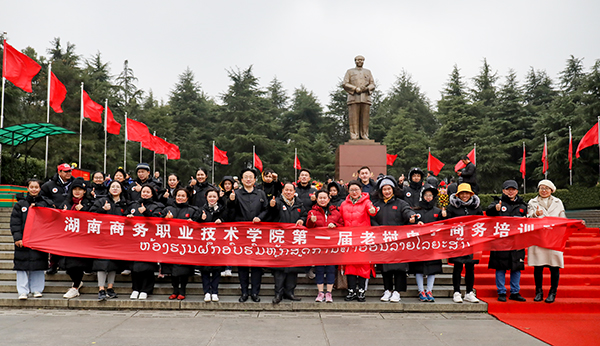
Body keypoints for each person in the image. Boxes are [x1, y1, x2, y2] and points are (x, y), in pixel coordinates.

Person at [371, 176, 416, 303]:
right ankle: (387, 290)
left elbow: (407, 212)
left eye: (389, 189)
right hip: (383, 240)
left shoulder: (400, 203)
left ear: (393, 190)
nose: (387, 191)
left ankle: (397, 291)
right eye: (384, 189)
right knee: (385, 267)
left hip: (398, 241)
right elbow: (372, 219)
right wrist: (377, 229)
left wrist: (411, 216)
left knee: (399, 267)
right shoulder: (376, 205)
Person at [228, 168, 268, 302]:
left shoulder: (261, 193)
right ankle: (244, 292)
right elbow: (231, 215)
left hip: (257, 234)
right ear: (241, 180)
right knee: (243, 265)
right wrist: (232, 202)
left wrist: (260, 218)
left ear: (255, 179)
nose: (249, 179)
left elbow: (266, 210)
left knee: (257, 265)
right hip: (242, 233)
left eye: (251, 177)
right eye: (246, 177)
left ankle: (255, 292)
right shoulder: (236, 194)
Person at [11, 179, 52, 299]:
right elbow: (15, 223)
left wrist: (39, 207)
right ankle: (22, 291)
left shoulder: (45, 203)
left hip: (39, 240)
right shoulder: (20, 204)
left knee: (38, 266)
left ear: (40, 189)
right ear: (27, 188)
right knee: (21, 267)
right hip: (23, 240)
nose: (34, 189)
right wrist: (18, 238)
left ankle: (37, 289)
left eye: (36, 187)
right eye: (31, 187)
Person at [486, 179, 527, 302]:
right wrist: (495, 209)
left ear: (517, 191)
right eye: (508, 189)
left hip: (517, 241)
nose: (510, 192)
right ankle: (501, 292)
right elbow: (488, 212)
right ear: (503, 191)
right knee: (500, 267)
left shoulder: (523, 206)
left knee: (516, 267)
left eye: (513, 189)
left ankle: (515, 292)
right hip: (501, 241)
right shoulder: (497, 202)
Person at [89, 180, 129, 301]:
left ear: (121, 189)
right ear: (109, 188)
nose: (115, 189)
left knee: (113, 264)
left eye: (118, 187)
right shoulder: (102, 201)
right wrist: (102, 209)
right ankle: (101, 289)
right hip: (103, 238)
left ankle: (110, 288)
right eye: (113, 186)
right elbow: (91, 214)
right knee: (102, 263)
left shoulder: (125, 204)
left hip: (117, 238)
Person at [527, 179, 565, 303]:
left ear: (551, 190)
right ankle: (539, 292)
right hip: (538, 237)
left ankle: (552, 292)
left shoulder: (558, 202)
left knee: (555, 266)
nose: (544, 191)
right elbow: (528, 218)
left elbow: (563, 218)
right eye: (541, 188)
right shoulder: (532, 202)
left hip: (554, 238)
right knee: (538, 266)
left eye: (546, 188)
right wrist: (535, 215)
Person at [269, 182, 307, 304]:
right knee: (280, 268)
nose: (288, 192)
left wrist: (302, 219)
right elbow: (271, 214)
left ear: (294, 191)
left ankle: (289, 292)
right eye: (286, 190)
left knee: (292, 268)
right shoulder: (278, 202)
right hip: (280, 240)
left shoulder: (299, 203)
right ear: (283, 191)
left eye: (291, 190)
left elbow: (305, 215)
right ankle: (278, 293)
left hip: (294, 240)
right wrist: (272, 206)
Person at [339, 180, 377, 302]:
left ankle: (361, 290)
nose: (354, 192)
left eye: (356, 190)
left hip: (362, 239)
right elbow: (340, 220)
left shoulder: (366, 202)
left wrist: (372, 211)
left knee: (363, 265)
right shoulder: (344, 204)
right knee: (349, 265)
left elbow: (372, 210)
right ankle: (351, 290)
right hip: (349, 238)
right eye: (351, 190)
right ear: (348, 191)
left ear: (361, 190)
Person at [161, 187, 201, 300]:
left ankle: (182, 290)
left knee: (184, 270)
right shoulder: (168, 209)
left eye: (183, 196)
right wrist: (165, 218)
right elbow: (158, 223)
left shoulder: (193, 210)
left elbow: (199, 224)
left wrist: (193, 223)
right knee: (172, 269)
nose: (180, 198)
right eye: (178, 195)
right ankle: (175, 290)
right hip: (171, 244)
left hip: (185, 245)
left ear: (187, 198)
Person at [126, 184, 164, 300]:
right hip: (135, 240)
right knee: (135, 267)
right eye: (143, 191)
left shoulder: (157, 206)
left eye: (148, 192)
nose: (145, 194)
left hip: (150, 240)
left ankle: (146, 289)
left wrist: (146, 212)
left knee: (147, 267)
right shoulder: (133, 205)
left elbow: (158, 220)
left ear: (152, 194)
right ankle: (135, 288)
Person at [445, 183, 482, 303]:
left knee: (470, 267)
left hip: (472, 241)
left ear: (471, 194)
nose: (465, 195)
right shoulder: (452, 208)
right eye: (462, 193)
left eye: (467, 193)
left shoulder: (476, 207)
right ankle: (456, 292)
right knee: (458, 266)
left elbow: (481, 222)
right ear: (458, 194)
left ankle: (469, 292)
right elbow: (447, 224)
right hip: (457, 241)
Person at [59, 178, 95, 299]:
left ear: (85, 191)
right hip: (68, 239)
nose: (77, 192)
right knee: (67, 265)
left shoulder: (89, 202)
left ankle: (75, 286)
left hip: (83, 239)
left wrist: (84, 211)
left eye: (80, 189)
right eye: (75, 189)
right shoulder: (66, 202)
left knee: (77, 264)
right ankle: (77, 283)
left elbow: (95, 219)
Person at [306, 190, 344, 303]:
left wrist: (335, 225)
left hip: (332, 246)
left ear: (329, 199)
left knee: (331, 269)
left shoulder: (336, 212)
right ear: (316, 199)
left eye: (324, 197)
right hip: (318, 246)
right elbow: (308, 226)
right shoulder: (312, 212)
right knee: (319, 269)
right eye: (320, 198)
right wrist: (311, 221)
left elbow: (343, 225)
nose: (322, 200)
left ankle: (329, 293)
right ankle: (320, 292)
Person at [409, 185, 444, 302]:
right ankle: (421, 290)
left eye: (430, 195)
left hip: (433, 244)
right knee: (418, 268)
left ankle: (429, 290)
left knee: (432, 268)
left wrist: (445, 217)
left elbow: (445, 225)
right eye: (426, 195)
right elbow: (409, 226)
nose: (428, 198)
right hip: (419, 244)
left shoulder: (438, 211)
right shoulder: (415, 210)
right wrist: (415, 224)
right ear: (422, 196)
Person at [41, 163, 74, 274]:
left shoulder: (75, 183)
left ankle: (68, 264)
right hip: (55, 217)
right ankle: (53, 265)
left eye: (69, 171)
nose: (68, 173)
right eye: (65, 171)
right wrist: (51, 204)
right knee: (55, 241)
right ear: (59, 172)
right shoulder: (49, 185)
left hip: (72, 218)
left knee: (71, 241)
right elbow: (42, 196)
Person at [199, 187, 226, 302]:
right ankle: (206, 292)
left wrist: (222, 221)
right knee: (204, 270)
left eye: (214, 196)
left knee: (216, 269)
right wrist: (200, 219)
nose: (212, 198)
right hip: (205, 245)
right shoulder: (201, 210)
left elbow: (228, 223)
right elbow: (195, 224)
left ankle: (214, 291)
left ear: (218, 198)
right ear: (206, 197)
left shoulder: (223, 209)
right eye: (210, 196)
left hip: (218, 245)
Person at [343, 55, 376, 140]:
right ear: (355, 61)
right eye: (358, 60)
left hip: (365, 98)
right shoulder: (350, 72)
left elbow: (372, 84)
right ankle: (354, 135)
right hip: (354, 97)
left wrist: (367, 88)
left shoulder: (368, 72)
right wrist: (355, 88)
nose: (360, 61)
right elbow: (345, 83)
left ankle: (364, 134)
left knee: (365, 118)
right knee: (354, 118)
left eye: (361, 60)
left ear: (363, 61)